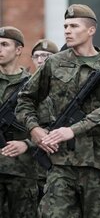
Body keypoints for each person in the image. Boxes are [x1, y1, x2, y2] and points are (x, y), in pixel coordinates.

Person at [16, 4, 100, 218]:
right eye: (65, 26)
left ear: (91, 30)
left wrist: (74, 130)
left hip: (98, 164)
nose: (67, 30)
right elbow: (25, 100)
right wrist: (35, 130)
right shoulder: (54, 63)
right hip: (61, 163)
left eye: (74, 26)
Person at [0, 26, 38, 217]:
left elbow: (49, 126)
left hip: (22, 171)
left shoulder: (32, 85)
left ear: (18, 50)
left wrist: (26, 144)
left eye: (4, 45)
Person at [30, 38, 59, 201]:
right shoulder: (25, 88)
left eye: (46, 56)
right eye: (37, 56)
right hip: (28, 166)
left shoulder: (63, 88)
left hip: (57, 161)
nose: (40, 60)